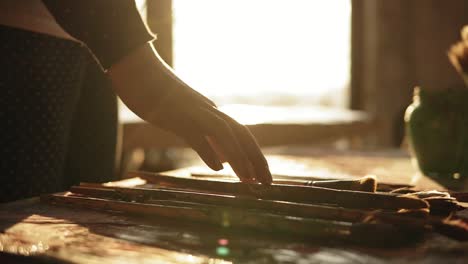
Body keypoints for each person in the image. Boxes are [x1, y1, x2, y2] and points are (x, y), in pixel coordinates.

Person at [0, 0, 271, 202]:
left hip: (95, 47)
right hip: (24, 40)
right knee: (18, 222)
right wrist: (134, 57)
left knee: (88, 212)